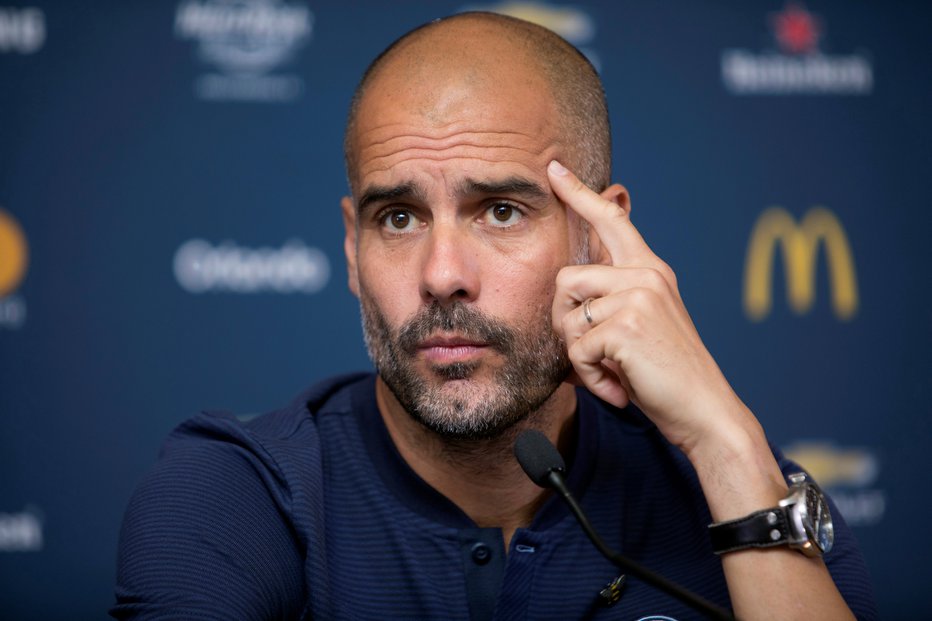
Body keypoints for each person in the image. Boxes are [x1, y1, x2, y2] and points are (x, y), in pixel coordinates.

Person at [112, 12, 875, 620]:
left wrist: (726, 441)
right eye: (400, 218)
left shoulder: (741, 485)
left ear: (599, 238)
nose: (443, 275)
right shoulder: (244, 489)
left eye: (501, 210)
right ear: (351, 249)